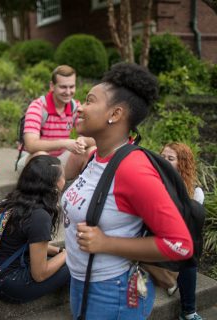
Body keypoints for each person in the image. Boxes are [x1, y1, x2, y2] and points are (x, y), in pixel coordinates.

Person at [62, 62, 194, 320]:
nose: (80, 106)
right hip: (82, 282)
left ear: (116, 114)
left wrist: (106, 243)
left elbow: (180, 245)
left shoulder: (132, 169)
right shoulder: (97, 158)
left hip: (112, 293)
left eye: (89, 101)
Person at [0, 155, 70, 303]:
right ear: (53, 184)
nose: (65, 179)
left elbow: (22, 244)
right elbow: (39, 274)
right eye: (63, 176)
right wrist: (69, 254)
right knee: (78, 264)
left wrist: (58, 251)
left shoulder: (15, 200)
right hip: (8, 284)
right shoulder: (39, 217)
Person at [17, 65, 95, 179]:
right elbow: (31, 145)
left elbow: (94, 139)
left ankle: (83, 192)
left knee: (90, 151)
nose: (68, 92)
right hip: (33, 160)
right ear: (52, 86)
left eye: (72, 86)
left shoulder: (75, 107)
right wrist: (65, 143)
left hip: (59, 161)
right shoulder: (38, 107)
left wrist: (83, 141)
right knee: (42, 157)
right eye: (63, 87)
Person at [161, 142, 204, 320]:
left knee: (188, 252)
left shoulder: (195, 192)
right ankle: (170, 280)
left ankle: (188, 312)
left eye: (170, 159)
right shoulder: (152, 182)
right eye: (162, 157)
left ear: (182, 163)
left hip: (177, 243)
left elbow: (191, 228)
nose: (164, 161)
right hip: (152, 240)